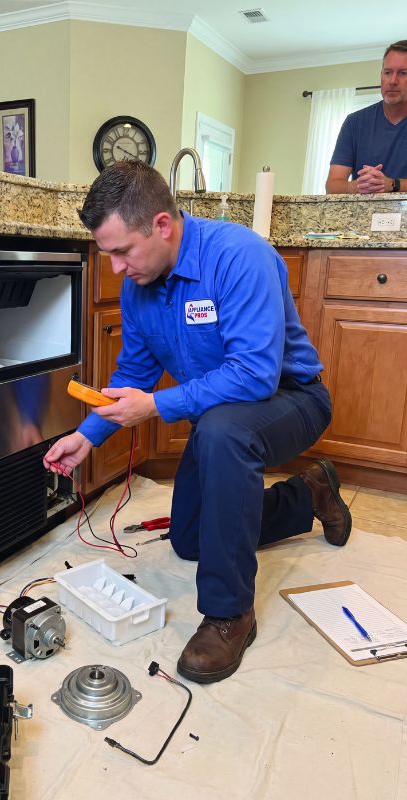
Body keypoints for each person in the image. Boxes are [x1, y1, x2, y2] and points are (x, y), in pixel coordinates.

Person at [43, 160, 352, 684]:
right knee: (190, 539)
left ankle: (230, 614)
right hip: (222, 418)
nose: (116, 268)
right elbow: (134, 373)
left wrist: (156, 406)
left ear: (162, 225)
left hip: (293, 398)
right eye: (108, 254)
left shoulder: (240, 257)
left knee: (221, 430)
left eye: (122, 251)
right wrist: (86, 436)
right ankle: (310, 495)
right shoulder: (140, 287)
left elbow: (255, 376)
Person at [326, 40, 407, 194]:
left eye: (403, 73)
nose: (392, 81)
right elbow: (332, 186)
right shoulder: (354, 123)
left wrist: (393, 184)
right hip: (362, 216)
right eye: (387, 72)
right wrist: (357, 186)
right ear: (381, 75)